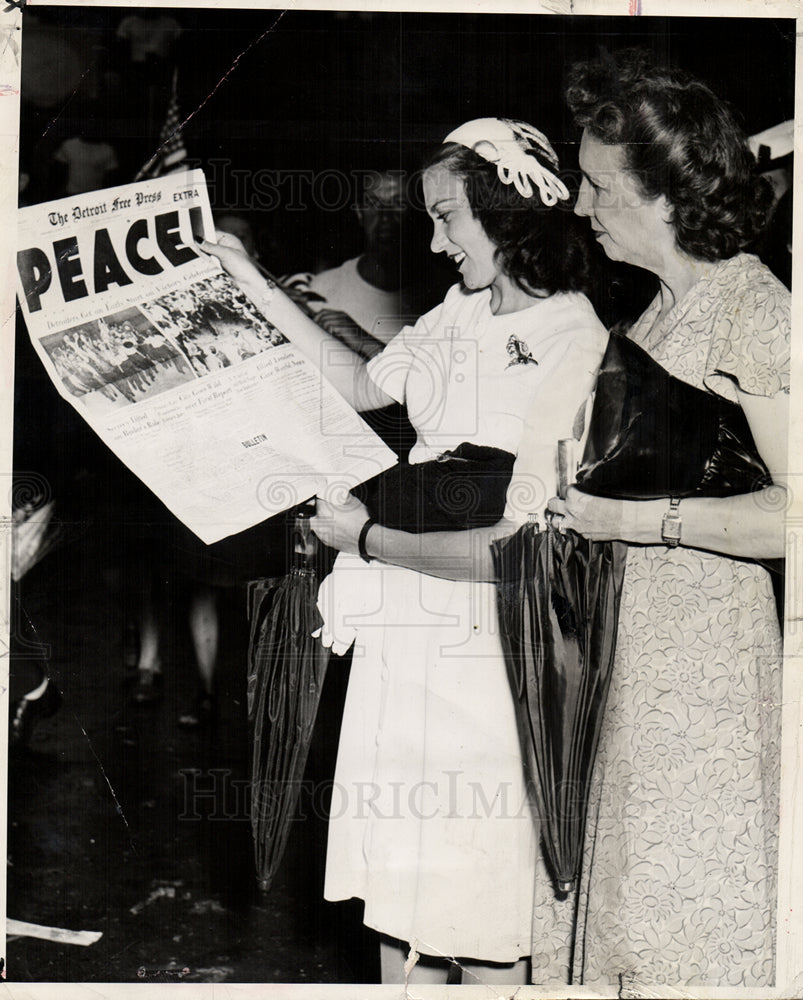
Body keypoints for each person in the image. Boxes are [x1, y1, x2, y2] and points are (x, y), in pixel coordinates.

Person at [204, 117, 607, 985]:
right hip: (405, 636)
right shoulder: (459, 308)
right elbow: (357, 382)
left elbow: (518, 555)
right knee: (399, 901)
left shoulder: (573, 341)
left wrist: (370, 538)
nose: (431, 240)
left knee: (483, 902)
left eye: (447, 217)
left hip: (486, 654)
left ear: (507, 213)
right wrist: (254, 285)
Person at [532, 50, 786, 989]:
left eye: (599, 188)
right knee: (627, 926)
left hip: (704, 676)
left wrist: (639, 524)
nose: (579, 207)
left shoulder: (756, 311)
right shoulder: (648, 321)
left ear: (668, 195)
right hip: (628, 660)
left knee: (686, 928)